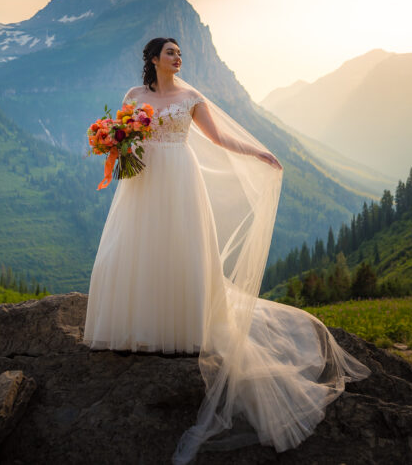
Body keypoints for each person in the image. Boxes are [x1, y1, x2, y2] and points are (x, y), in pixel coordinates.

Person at [83, 37, 370, 463]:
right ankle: (134, 328)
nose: (178, 58)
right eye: (171, 53)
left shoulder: (192, 98)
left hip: (180, 179)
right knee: (136, 249)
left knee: (180, 250)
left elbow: (218, 139)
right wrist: (114, 141)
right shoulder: (133, 96)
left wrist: (257, 152)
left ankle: (180, 329)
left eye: (181, 53)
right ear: (152, 59)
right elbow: (127, 139)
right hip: (142, 184)